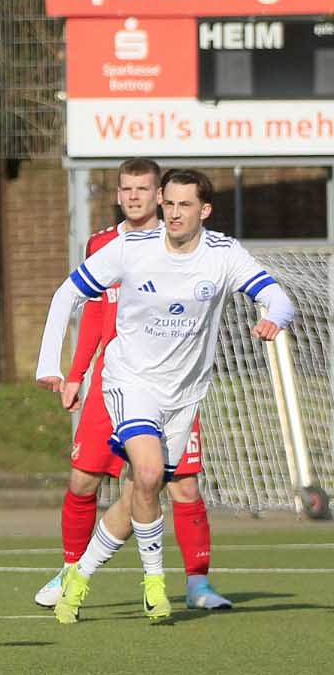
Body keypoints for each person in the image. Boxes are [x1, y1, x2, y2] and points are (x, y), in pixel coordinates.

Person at [36, 168, 294, 623]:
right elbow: (66, 295)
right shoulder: (131, 249)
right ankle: (155, 583)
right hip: (130, 380)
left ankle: (79, 578)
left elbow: (276, 295)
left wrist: (276, 316)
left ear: (204, 211)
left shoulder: (224, 254)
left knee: (139, 489)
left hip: (185, 392)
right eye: (169, 203)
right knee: (150, 472)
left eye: (185, 205)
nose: (174, 214)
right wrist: (49, 366)